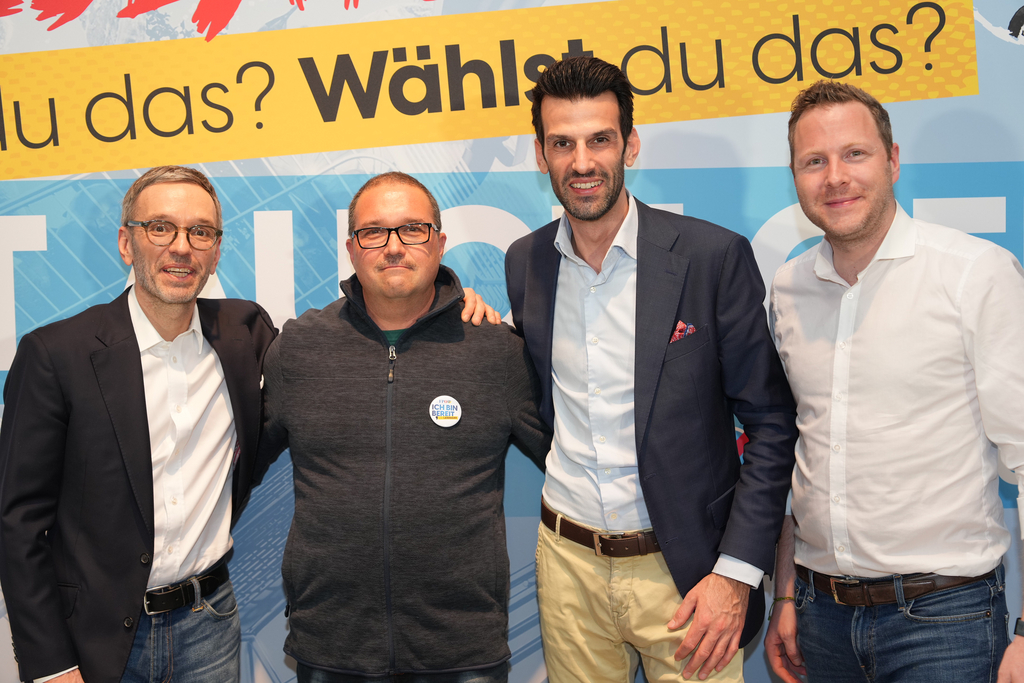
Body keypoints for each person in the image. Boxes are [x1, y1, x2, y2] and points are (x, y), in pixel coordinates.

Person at [504, 56, 798, 682]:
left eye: (599, 140)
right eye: (562, 143)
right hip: (567, 567)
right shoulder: (525, 262)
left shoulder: (712, 257)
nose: (582, 162)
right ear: (541, 154)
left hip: (688, 574)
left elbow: (773, 424)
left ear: (630, 145)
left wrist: (736, 572)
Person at [764, 80, 1024, 683]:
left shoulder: (975, 275)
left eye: (854, 154)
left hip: (947, 621)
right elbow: (802, 451)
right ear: (795, 176)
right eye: (813, 161)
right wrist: (786, 591)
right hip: (819, 616)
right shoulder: (788, 288)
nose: (835, 177)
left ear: (893, 160)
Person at [256, 171, 551, 683]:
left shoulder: (495, 351)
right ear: (352, 248)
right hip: (331, 645)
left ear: (439, 242)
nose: (394, 247)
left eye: (413, 229)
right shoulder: (298, 349)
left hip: (464, 650)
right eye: (374, 232)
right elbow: (232, 466)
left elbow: (573, 460)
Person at [0, 166, 277, 683]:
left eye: (200, 232)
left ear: (216, 252)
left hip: (210, 624)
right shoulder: (55, 355)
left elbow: (326, 368)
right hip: (94, 637)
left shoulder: (245, 334)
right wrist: (51, 666)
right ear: (127, 243)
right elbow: (17, 523)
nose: (181, 247)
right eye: (160, 227)